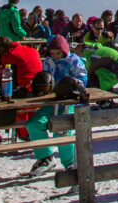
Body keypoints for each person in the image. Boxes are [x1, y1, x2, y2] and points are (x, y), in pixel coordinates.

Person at [23, 38, 87, 177]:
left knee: (62, 128)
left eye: (58, 53)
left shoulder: (74, 61)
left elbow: (82, 80)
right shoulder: (48, 62)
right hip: (52, 101)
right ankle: (45, 157)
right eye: (52, 53)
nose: (55, 56)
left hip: (69, 101)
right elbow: (45, 78)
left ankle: (69, 163)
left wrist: (71, 86)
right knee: (34, 124)